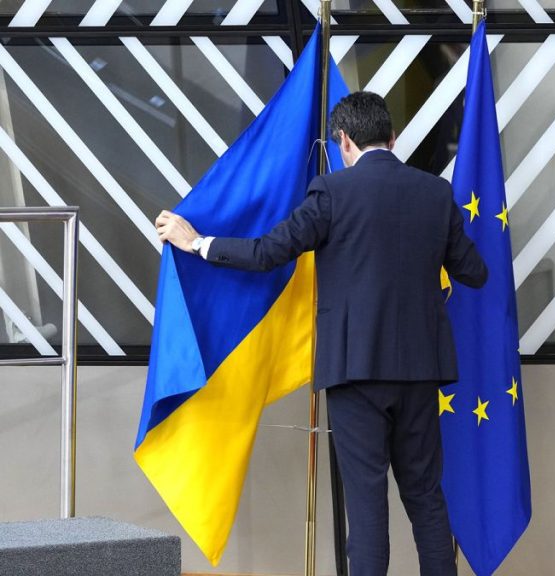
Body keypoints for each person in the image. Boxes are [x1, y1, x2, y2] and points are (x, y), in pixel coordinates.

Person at [155, 91, 487, 576]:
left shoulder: (331, 194)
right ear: (392, 138)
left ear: (343, 141)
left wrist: (197, 242)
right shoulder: (435, 194)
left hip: (354, 373)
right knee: (426, 499)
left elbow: (268, 252)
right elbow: (474, 273)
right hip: (421, 372)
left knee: (368, 507)